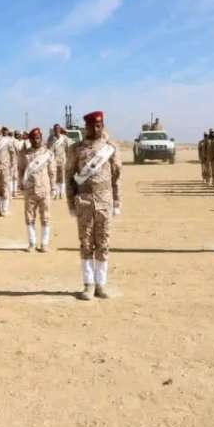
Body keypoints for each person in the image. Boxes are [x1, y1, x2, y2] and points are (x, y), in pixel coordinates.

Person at [66, 111, 122, 300]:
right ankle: (88, 284)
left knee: (103, 243)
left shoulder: (110, 148)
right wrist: (70, 203)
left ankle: (101, 284)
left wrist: (117, 202)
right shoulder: (76, 149)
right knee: (86, 243)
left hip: (105, 200)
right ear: (86, 127)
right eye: (92, 126)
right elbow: (69, 177)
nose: (96, 129)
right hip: (84, 201)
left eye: (99, 125)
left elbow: (116, 177)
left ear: (102, 126)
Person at [19, 128, 56, 252]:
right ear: (30, 140)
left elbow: (52, 171)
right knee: (29, 216)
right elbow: (20, 170)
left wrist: (53, 187)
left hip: (44, 189)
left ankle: (44, 244)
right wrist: (20, 183)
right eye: (33, 138)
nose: (36, 140)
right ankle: (32, 243)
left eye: (38, 138)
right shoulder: (24, 154)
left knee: (46, 216)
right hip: (30, 190)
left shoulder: (48, 153)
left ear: (41, 138)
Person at [48, 124, 70, 199]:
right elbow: (48, 149)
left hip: (62, 160)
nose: (57, 130)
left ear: (60, 130)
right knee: (54, 177)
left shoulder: (64, 138)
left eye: (58, 128)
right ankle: (56, 193)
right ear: (54, 130)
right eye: (55, 129)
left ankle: (62, 193)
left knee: (62, 177)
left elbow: (68, 149)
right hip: (53, 160)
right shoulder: (51, 138)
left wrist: (68, 158)